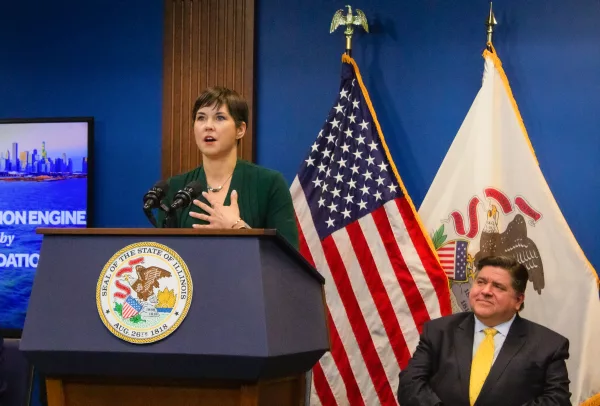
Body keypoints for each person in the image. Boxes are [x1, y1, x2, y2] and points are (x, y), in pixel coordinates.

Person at [398, 255, 570, 406]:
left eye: (498, 287)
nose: (486, 291)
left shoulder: (549, 346)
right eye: (481, 282)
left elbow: (557, 400)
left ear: (518, 300)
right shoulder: (438, 331)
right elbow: (410, 383)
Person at [158, 87, 299, 249]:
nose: (208, 126)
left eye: (219, 118)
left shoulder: (269, 183)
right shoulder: (174, 188)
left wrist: (237, 226)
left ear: (240, 130)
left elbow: (289, 259)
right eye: (201, 118)